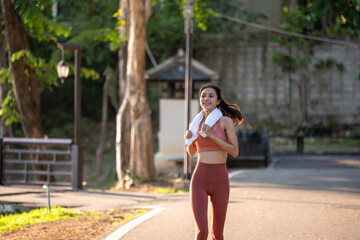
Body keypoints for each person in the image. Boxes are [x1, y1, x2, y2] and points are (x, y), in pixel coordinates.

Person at [184, 84, 243, 240]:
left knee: (217, 234)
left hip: (220, 180)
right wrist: (189, 141)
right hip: (199, 179)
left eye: (211, 96)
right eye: (203, 96)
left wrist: (212, 135)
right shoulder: (196, 124)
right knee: (201, 232)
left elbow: (235, 151)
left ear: (218, 101)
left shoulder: (225, 121)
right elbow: (192, 153)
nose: (206, 99)